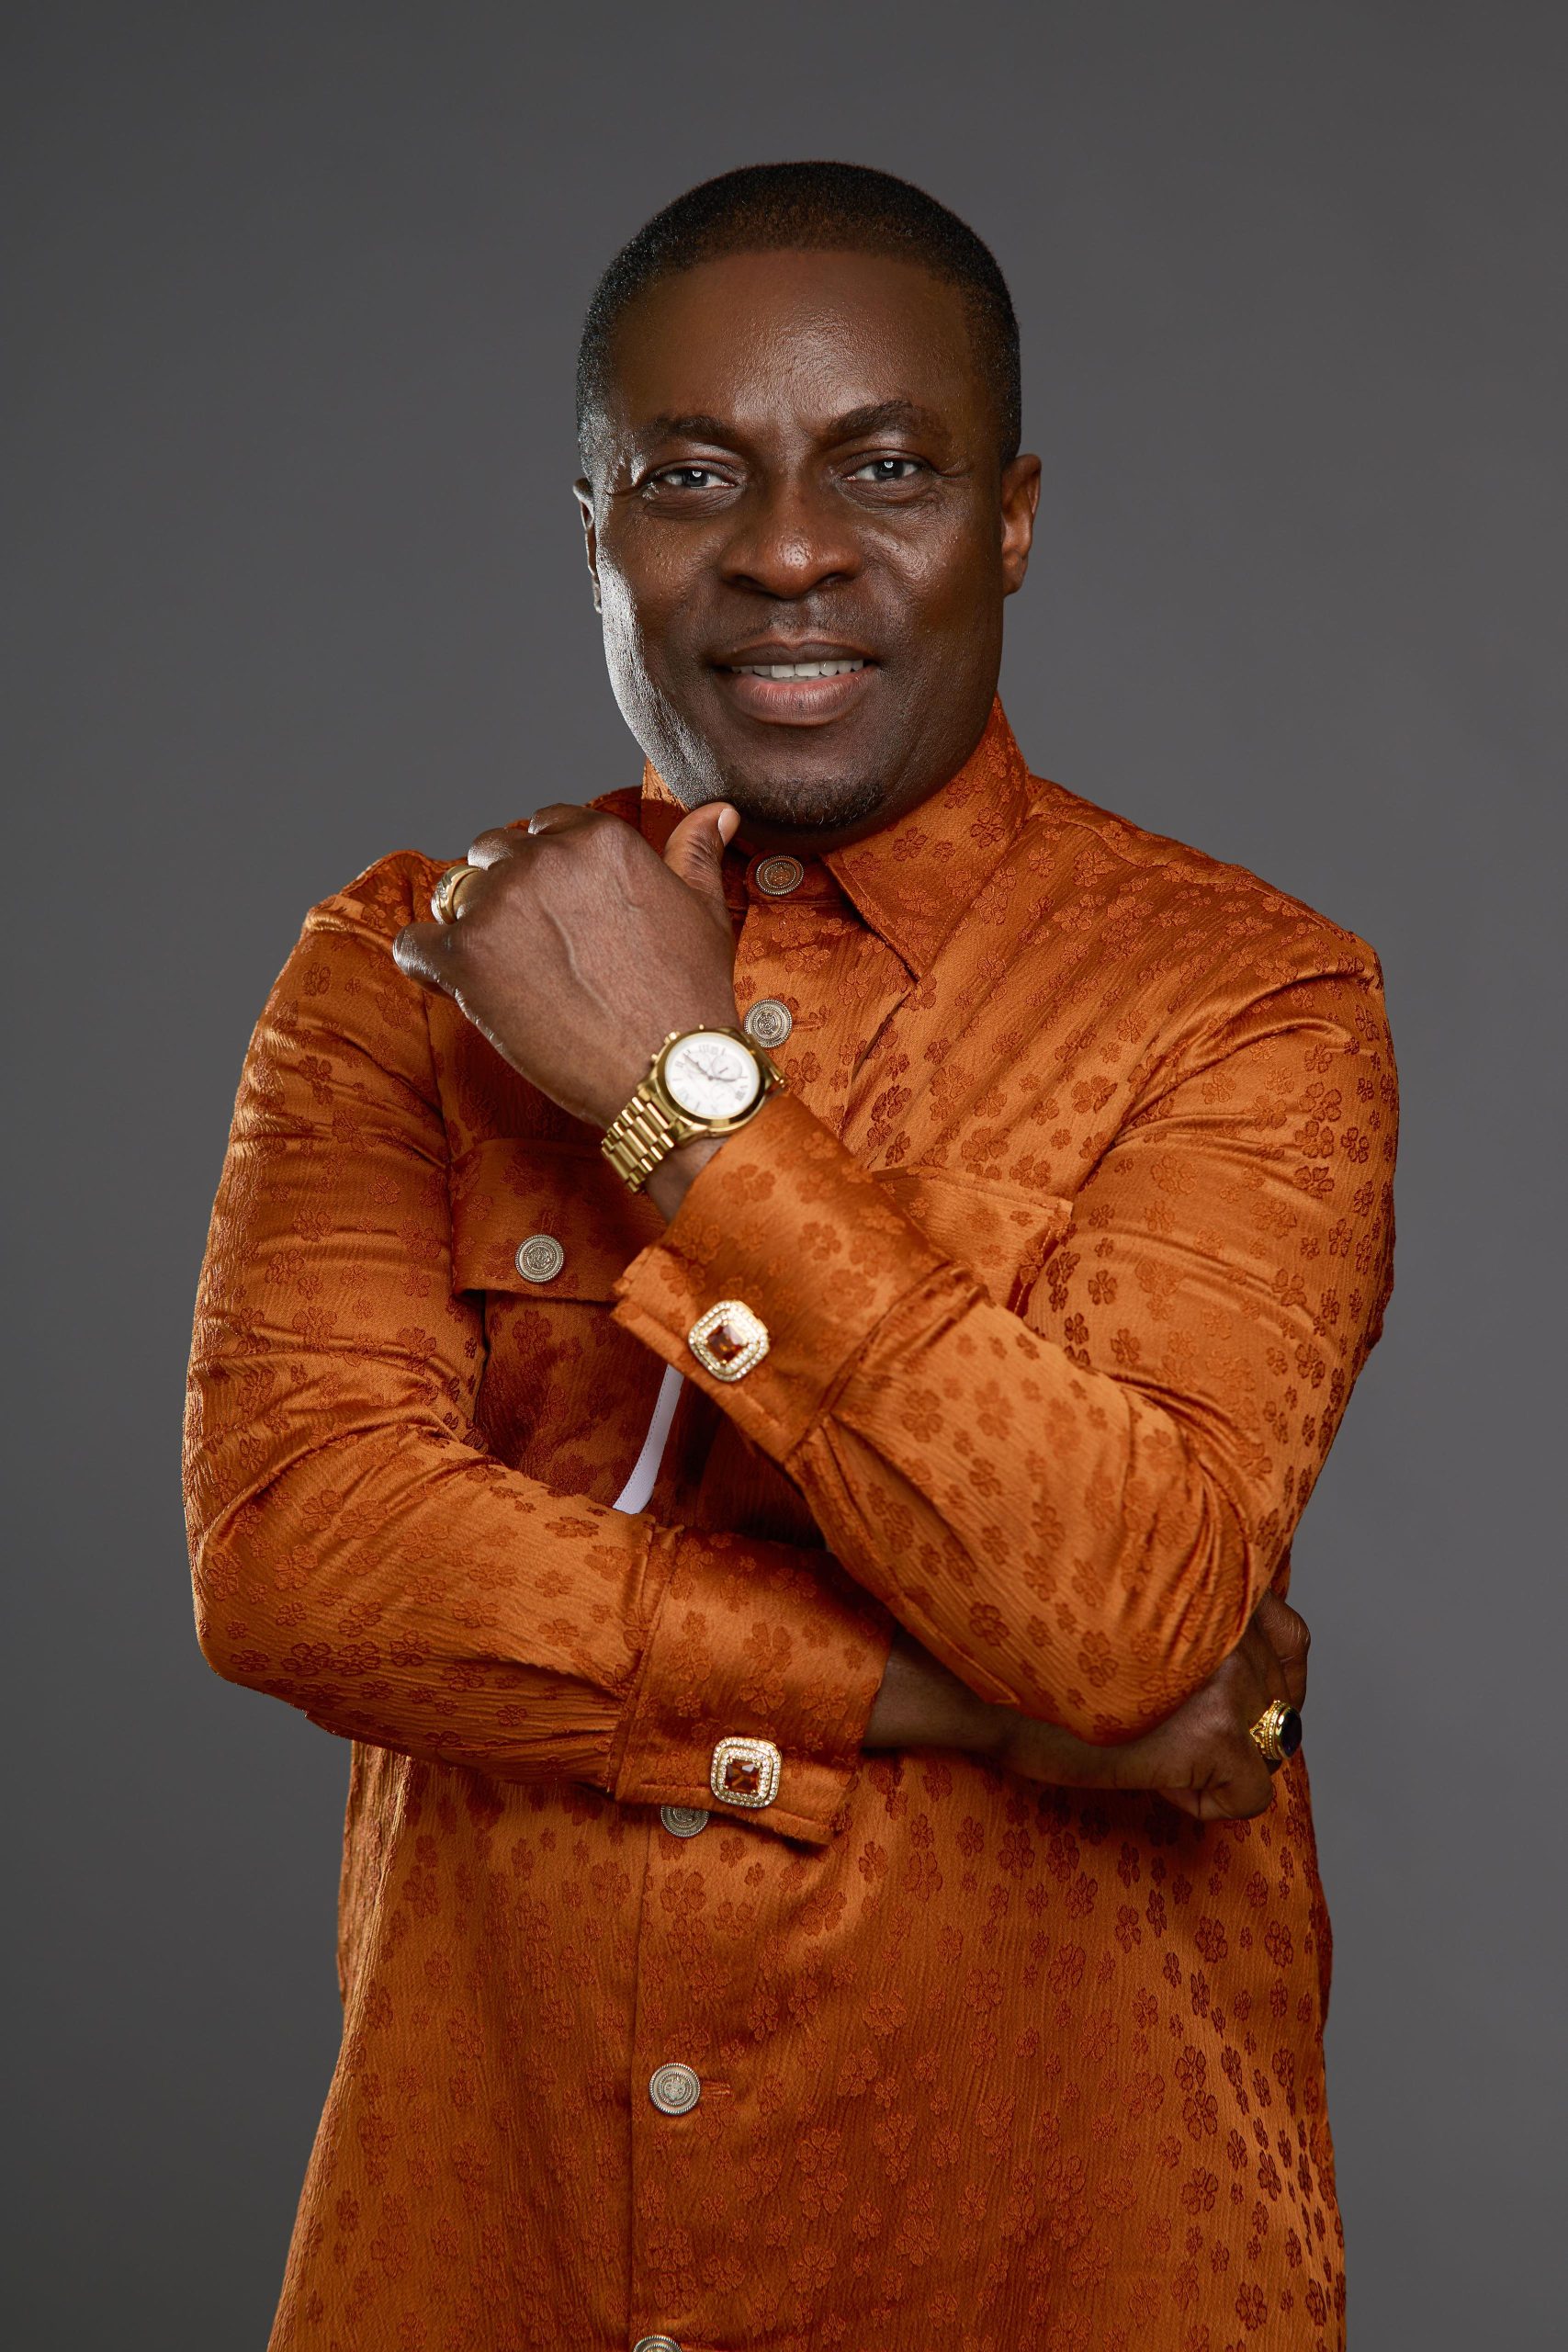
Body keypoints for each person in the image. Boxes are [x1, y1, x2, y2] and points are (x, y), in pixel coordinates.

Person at [185, 162, 1395, 2352]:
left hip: (1050, 2268)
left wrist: (669, 1102)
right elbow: (296, 1552)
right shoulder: (396, 971)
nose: (786, 549)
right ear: (591, 526)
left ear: (1007, 520)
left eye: (885, 466)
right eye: (687, 475)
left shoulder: (1241, 999)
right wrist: (959, 1708)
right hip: (488, 2255)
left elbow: (1117, 1606)